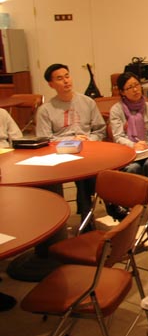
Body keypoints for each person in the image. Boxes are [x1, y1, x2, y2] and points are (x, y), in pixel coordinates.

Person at [36, 63, 106, 219]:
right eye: (60, 78)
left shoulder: (88, 102)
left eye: (67, 76)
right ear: (51, 84)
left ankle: (89, 211)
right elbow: (45, 139)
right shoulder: (45, 110)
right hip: (61, 153)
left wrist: (89, 140)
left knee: (97, 167)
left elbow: (100, 129)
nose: (66, 81)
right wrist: (72, 141)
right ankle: (88, 212)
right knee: (81, 168)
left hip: (89, 148)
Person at [109, 72, 148, 217]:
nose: (135, 89)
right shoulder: (116, 110)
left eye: (137, 85)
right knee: (133, 168)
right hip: (128, 152)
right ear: (122, 92)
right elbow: (118, 137)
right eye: (130, 87)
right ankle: (134, 203)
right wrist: (133, 145)